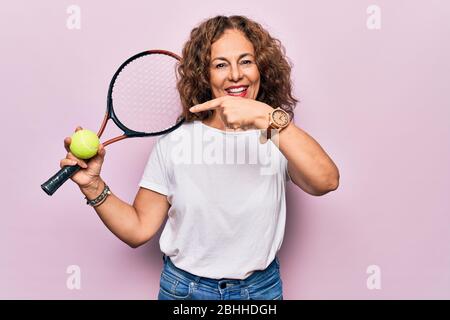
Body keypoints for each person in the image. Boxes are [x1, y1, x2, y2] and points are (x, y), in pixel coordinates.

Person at [60, 15, 340, 300]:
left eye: (246, 61)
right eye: (220, 65)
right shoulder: (175, 142)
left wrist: (266, 116)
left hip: (260, 292)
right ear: (205, 76)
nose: (235, 75)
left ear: (261, 68)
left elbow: (326, 181)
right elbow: (138, 229)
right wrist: (93, 185)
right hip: (185, 292)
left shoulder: (276, 134)